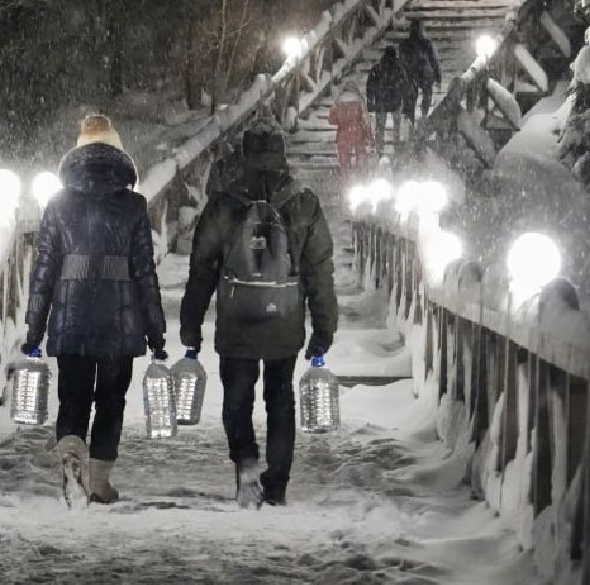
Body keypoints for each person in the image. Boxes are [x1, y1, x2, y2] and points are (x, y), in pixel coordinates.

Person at [179, 117, 337, 508]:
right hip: (283, 320)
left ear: (245, 155)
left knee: (237, 397)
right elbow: (319, 271)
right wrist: (323, 328)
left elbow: (201, 268)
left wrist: (191, 325)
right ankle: (278, 482)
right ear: (281, 155)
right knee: (280, 399)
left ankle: (246, 459)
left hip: (237, 319)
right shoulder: (303, 202)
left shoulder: (225, 203)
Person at [24, 114, 166, 505]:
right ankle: (100, 482)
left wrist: (34, 329)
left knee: (72, 398)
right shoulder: (135, 206)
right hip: (120, 322)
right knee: (110, 401)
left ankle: (72, 460)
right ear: (118, 155)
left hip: (70, 320)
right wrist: (156, 331)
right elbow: (144, 272)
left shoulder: (57, 205)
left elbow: (43, 272)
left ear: (77, 155)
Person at [365, 45, 411, 147]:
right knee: (396, 125)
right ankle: (396, 144)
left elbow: (370, 85)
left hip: (381, 100)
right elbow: (405, 85)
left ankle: (379, 146)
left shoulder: (377, 68)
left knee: (380, 126)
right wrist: (406, 100)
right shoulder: (399, 68)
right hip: (395, 100)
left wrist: (370, 99)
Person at [398, 19, 442, 120]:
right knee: (427, 94)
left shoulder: (405, 44)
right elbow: (434, 60)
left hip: (411, 74)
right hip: (425, 73)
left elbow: (401, 62)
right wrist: (438, 76)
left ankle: (410, 118)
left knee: (410, 98)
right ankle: (424, 115)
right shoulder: (426, 44)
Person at [326, 84, 372, 179]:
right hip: (357, 133)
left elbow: (331, 120)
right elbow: (365, 121)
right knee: (360, 157)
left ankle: (344, 180)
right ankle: (360, 177)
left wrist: (342, 120)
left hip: (343, 133)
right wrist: (368, 136)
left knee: (344, 160)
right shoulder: (359, 101)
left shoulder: (338, 102)